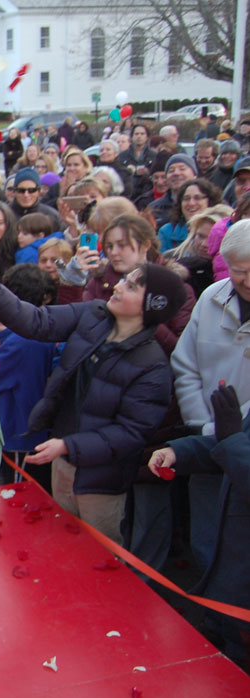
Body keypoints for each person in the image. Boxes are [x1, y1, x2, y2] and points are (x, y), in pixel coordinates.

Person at [0, 255, 183, 543]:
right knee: (63, 540)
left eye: (130, 287)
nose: (117, 287)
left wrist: (69, 445)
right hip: (63, 461)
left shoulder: (152, 366)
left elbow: (131, 432)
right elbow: (37, 321)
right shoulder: (93, 315)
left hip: (101, 481)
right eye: (124, 280)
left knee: (98, 553)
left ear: (151, 306)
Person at [148, 382, 250, 671]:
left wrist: (231, 438)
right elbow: (228, 445)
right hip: (233, 570)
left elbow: (234, 444)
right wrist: (180, 452)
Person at [171, 220, 250, 575]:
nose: (246, 280)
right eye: (239, 271)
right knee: (205, 532)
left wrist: (235, 429)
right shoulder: (211, 297)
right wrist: (203, 424)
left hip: (244, 446)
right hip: (205, 437)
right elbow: (185, 364)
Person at [82, 211, 195, 354]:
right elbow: (83, 330)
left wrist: (147, 317)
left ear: (145, 246)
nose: (114, 252)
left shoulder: (176, 289)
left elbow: (182, 349)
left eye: (122, 245)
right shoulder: (98, 282)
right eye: (109, 246)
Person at [0, 263, 57, 488]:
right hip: (35, 430)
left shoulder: (20, 342)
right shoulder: (42, 330)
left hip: (20, 433)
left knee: (19, 494)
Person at [158, 178, 222, 252]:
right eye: (186, 199)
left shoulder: (222, 229)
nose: (191, 203)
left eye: (197, 198)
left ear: (210, 201)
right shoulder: (166, 232)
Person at [148, 153, 198, 227]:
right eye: (171, 170)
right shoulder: (154, 208)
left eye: (182, 169)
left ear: (194, 175)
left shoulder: (205, 204)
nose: (176, 173)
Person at [120, 123, 157, 201]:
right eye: (136, 134)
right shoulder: (122, 155)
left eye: (142, 134)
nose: (139, 136)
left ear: (147, 137)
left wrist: (148, 172)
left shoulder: (154, 155)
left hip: (148, 195)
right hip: (129, 195)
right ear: (132, 137)